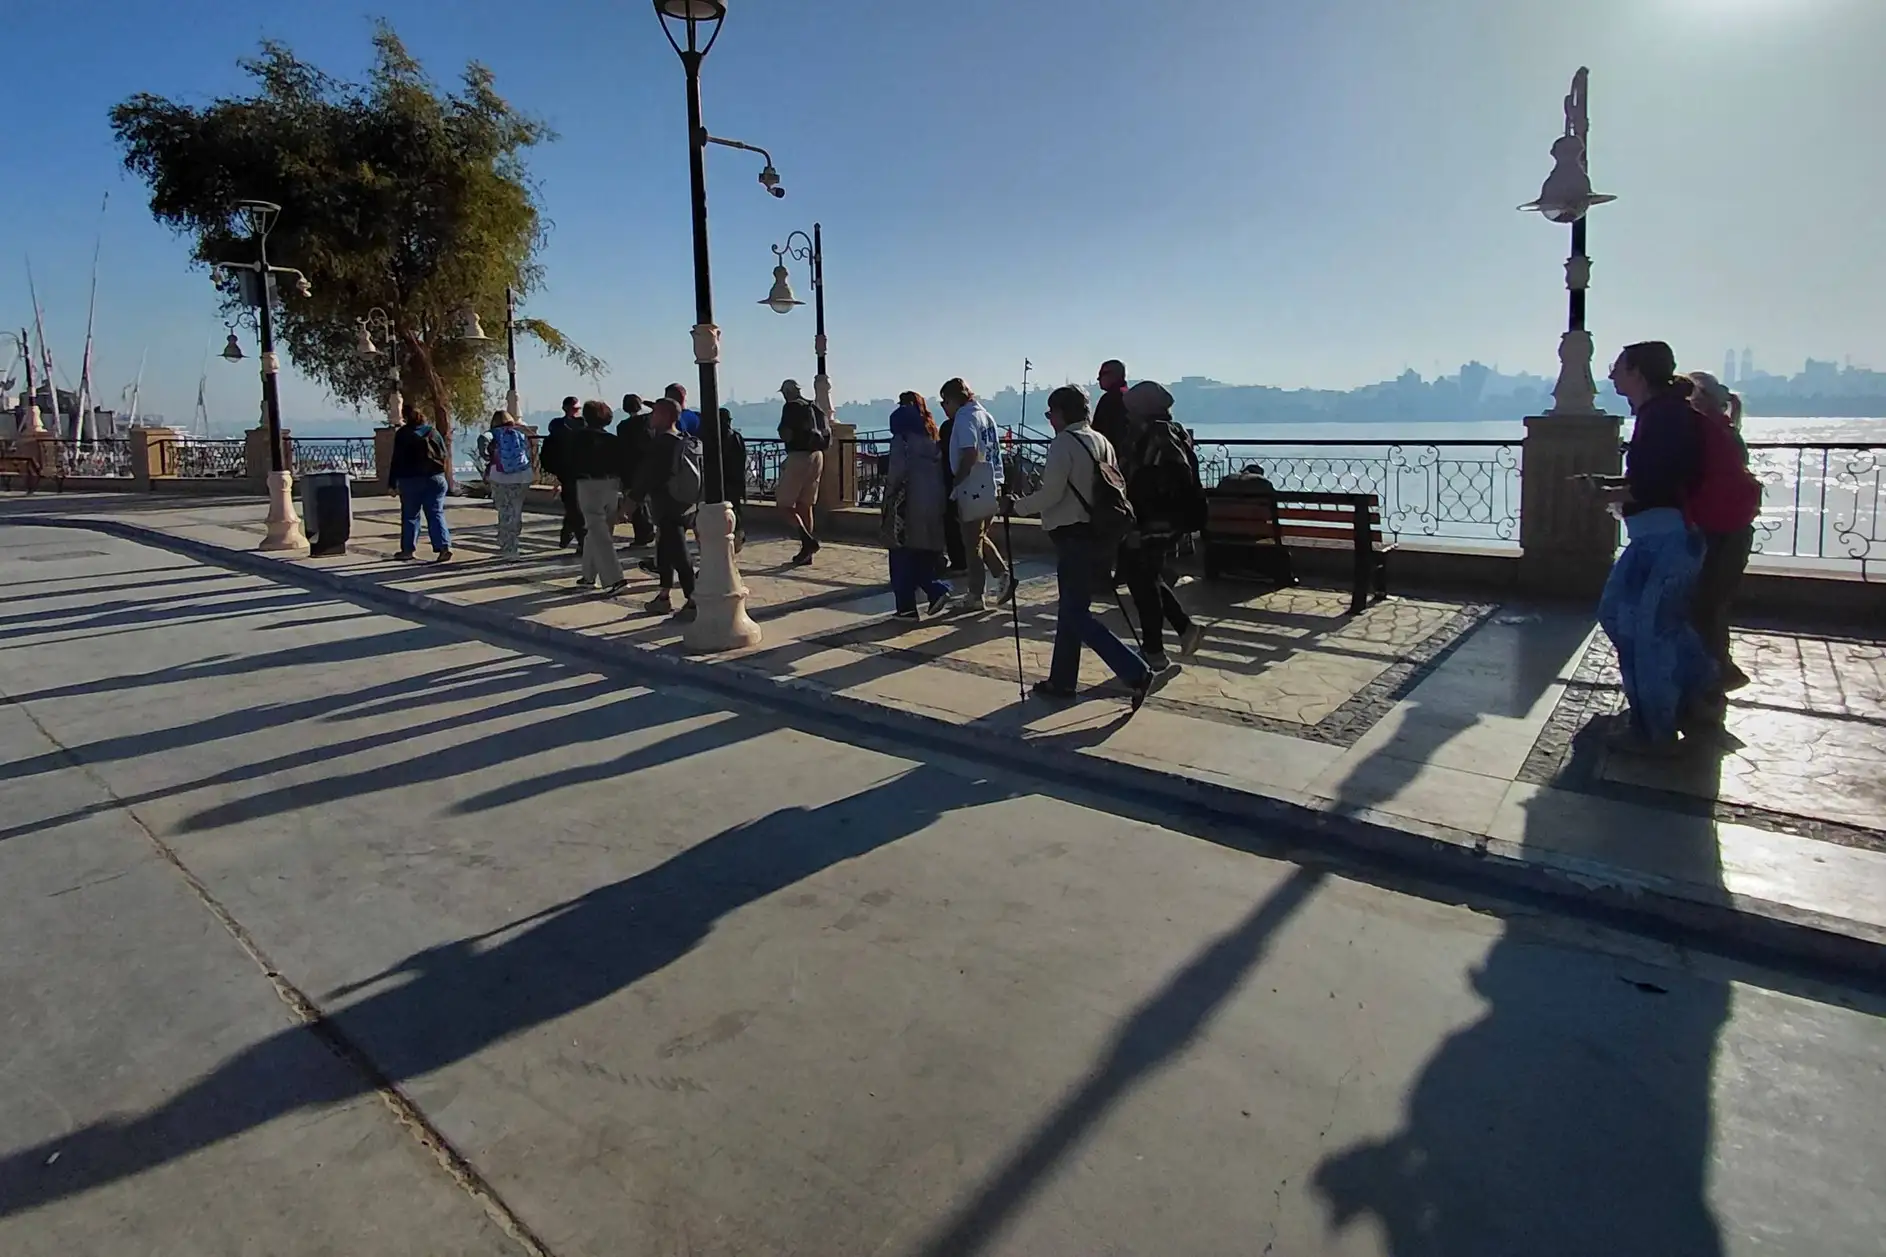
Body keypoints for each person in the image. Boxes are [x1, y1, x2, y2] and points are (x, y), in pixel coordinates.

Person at [1591, 341, 1715, 753]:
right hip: (1655, 536)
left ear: (1638, 373)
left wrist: (1610, 495)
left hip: (1666, 540)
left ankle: (1655, 727)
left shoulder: (1664, 416)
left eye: (1618, 367)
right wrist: (1610, 488)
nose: (1611, 375)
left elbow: (1660, 484)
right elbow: (1658, 478)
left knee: (1648, 632)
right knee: (1634, 619)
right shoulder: (1659, 413)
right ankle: (1699, 685)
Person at [1004, 385, 1152, 707]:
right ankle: (1062, 681)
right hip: (1100, 534)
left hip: (1072, 536)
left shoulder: (1063, 444)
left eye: (1050, 414)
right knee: (1072, 609)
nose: (1049, 420)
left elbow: (1051, 494)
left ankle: (1135, 671)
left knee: (1075, 614)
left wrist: (1017, 507)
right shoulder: (1102, 442)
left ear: (1060, 413)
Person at [1685, 369, 1761, 695]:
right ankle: (1717, 671)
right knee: (1712, 606)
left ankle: (1714, 675)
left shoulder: (1705, 431)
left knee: (1703, 606)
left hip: (1719, 528)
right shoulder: (1727, 429)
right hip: (1734, 528)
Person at [1119, 380, 1205, 670]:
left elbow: (1166, 477)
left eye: (1131, 408)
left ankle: (1154, 650)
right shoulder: (1161, 431)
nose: (1127, 414)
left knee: (1143, 581)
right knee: (1145, 577)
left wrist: (1144, 513)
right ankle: (1184, 628)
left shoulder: (1158, 435)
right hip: (1153, 518)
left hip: (1154, 520)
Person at [940, 377, 1015, 608]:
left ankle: (976, 593)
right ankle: (1002, 576)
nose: (943, 407)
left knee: (970, 543)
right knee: (977, 537)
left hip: (974, 486)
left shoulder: (965, 418)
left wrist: (958, 482)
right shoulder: (986, 415)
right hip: (992, 483)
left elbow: (969, 452)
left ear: (954, 400)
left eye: (945, 402)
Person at [882, 392, 954, 619]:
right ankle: (934, 589)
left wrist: (888, 499)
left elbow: (896, 473)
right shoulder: (932, 439)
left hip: (907, 504)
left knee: (900, 554)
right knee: (923, 553)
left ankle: (908, 606)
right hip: (933, 501)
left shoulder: (901, 441)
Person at [628, 397, 699, 617]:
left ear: (667, 416)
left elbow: (649, 476)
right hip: (686, 504)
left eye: (656, 412)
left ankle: (693, 599)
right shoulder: (682, 439)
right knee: (664, 550)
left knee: (679, 554)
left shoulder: (662, 444)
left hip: (668, 506)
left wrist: (629, 503)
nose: (652, 416)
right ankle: (663, 596)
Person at [566, 399, 628, 595]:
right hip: (611, 485)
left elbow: (569, 464)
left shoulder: (577, 439)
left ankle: (615, 578)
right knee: (599, 530)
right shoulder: (613, 440)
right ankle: (588, 575)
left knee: (597, 531)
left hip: (588, 484)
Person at [387, 402, 454, 563]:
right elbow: (444, 455)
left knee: (410, 515)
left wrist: (391, 483)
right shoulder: (433, 432)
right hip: (435, 479)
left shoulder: (403, 434)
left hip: (411, 479)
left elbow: (396, 460)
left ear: (405, 416)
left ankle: (408, 550)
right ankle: (444, 547)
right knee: (435, 512)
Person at [776, 378, 829, 565]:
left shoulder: (791, 407)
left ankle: (807, 541)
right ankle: (807, 554)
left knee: (784, 505)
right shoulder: (813, 406)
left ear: (787, 393)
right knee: (806, 505)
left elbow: (786, 433)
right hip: (817, 455)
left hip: (799, 455)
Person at [480, 409, 535, 560]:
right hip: (523, 476)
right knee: (516, 511)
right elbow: (529, 451)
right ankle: (514, 543)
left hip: (501, 477)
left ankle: (508, 548)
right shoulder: (519, 433)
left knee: (505, 512)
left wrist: (486, 455)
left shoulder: (493, 433)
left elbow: (483, 439)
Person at [541, 395, 586, 552]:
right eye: (574, 409)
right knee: (574, 506)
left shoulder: (583, 425)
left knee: (576, 507)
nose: (576, 412)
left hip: (581, 471)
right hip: (567, 472)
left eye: (578, 409)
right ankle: (577, 537)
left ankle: (571, 534)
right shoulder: (559, 427)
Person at [616, 393, 656, 547]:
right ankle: (649, 531)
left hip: (630, 468)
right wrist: (648, 403)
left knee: (636, 503)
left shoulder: (622, 426)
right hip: (649, 465)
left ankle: (643, 534)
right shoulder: (648, 421)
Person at [936, 408, 967, 574]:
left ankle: (959, 561)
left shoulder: (949, 427)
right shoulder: (967, 424)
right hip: (967, 481)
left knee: (951, 521)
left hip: (951, 479)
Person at [716, 407, 749, 552]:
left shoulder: (716, 437)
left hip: (724, 479)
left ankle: (731, 536)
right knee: (735, 509)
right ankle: (736, 536)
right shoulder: (736, 437)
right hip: (735, 479)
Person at [1092, 358, 1132, 455]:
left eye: (1102, 374)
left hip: (1112, 456)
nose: (1098, 378)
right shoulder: (1131, 396)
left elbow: (1098, 432)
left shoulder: (1110, 399)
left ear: (1114, 375)